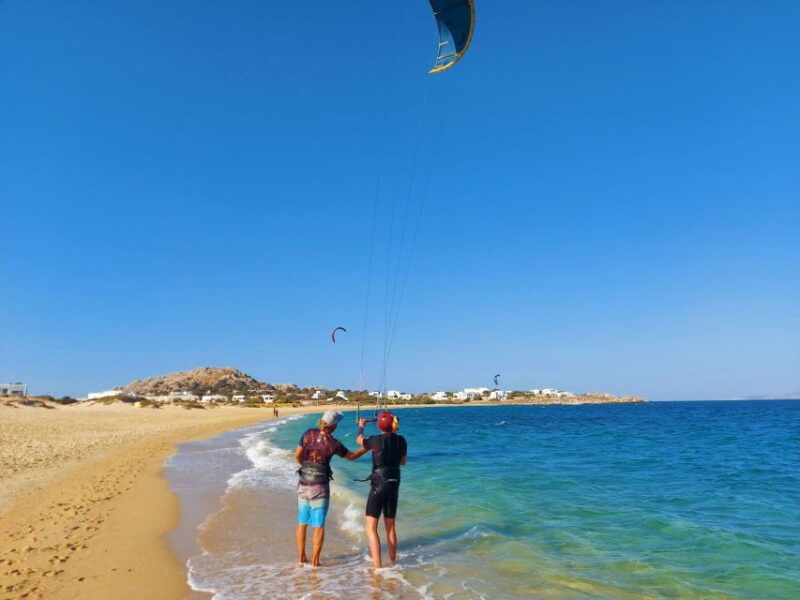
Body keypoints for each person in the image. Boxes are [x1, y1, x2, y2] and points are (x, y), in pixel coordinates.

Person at [294, 410, 367, 566]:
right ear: (333, 426)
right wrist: (366, 448)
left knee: (302, 522)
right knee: (318, 525)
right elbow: (352, 456)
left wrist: (306, 467)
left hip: (303, 483)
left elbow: (297, 455)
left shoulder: (307, 434)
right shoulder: (334, 443)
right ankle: (315, 562)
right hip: (319, 487)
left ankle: (301, 558)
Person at [357, 410, 407, 568]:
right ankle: (393, 563)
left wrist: (361, 426)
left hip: (379, 484)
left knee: (371, 528)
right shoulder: (402, 440)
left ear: (379, 425)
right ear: (393, 424)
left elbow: (359, 440)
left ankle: (377, 568)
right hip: (394, 483)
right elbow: (403, 462)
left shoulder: (375, 440)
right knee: (390, 526)